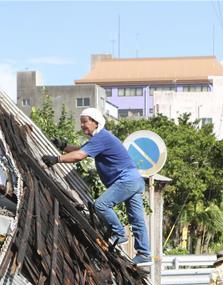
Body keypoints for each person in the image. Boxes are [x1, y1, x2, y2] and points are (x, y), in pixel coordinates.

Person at [41, 108, 150, 265]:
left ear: (95, 122)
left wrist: (57, 159)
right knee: (136, 218)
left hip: (126, 180)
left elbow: (79, 156)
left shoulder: (102, 137)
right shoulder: (99, 139)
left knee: (101, 205)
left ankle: (119, 234)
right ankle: (144, 253)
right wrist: (63, 146)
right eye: (81, 123)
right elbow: (80, 150)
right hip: (135, 181)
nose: (83, 126)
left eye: (85, 122)